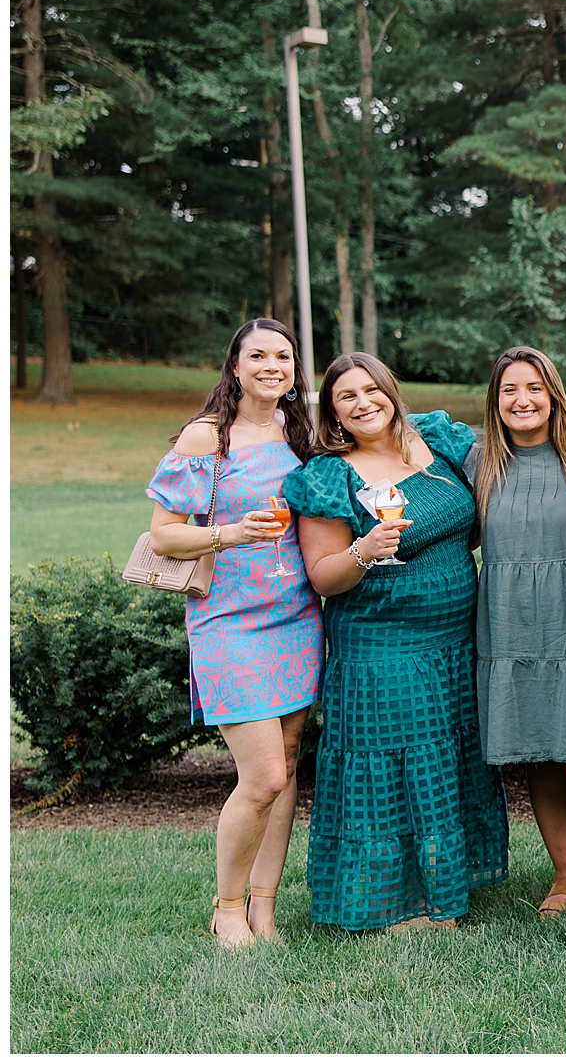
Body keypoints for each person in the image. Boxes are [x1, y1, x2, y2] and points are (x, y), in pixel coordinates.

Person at [284, 351, 508, 931]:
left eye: (371, 390)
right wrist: (364, 551)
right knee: (392, 766)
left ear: (390, 390)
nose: (363, 403)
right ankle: (394, 902)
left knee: (445, 761)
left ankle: (444, 883)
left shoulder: (436, 441)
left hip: (456, 640)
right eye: (346, 397)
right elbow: (323, 575)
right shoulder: (331, 475)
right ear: (333, 412)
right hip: (381, 646)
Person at [146, 318, 323, 948]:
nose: (273, 365)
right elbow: (165, 532)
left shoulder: (297, 431)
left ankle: (264, 907)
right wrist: (229, 534)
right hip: (229, 622)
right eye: (259, 355)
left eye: (284, 356)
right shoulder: (207, 436)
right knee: (265, 776)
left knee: (290, 764)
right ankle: (226, 907)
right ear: (236, 366)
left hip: (298, 618)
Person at [466, 346, 566, 919]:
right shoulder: (476, 464)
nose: (522, 401)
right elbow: (399, 424)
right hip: (512, 625)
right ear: (494, 403)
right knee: (541, 754)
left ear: (554, 397)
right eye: (509, 391)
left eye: (534, 388)